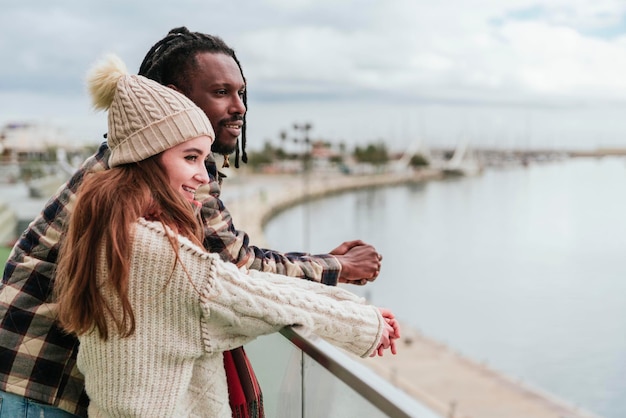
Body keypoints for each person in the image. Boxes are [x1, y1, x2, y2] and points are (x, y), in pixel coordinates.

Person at [0, 28, 385, 417]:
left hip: (28, 377)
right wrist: (339, 270)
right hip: (42, 383)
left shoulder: (127, 162)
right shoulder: (157, 173)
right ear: (174, 98)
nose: (240, 107)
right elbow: (234, 272)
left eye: (241, 93)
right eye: (221, 92)